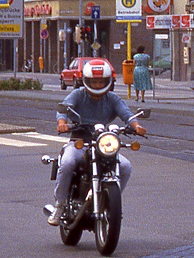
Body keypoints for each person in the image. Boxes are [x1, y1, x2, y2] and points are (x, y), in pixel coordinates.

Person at [50, 59, 146, 226]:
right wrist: (62, 122)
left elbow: (126, 114)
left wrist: (136, 126)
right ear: (86, 81)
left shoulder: (112, 98)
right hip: (79, 141)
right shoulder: (78, 94)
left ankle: (110, 202)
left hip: (102, 143)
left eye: (101, 81)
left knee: (125, 167)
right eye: (94, 81)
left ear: (108, 81)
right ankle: (60, 204)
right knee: (67, 163)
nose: (97, 85)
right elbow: (64, 108)